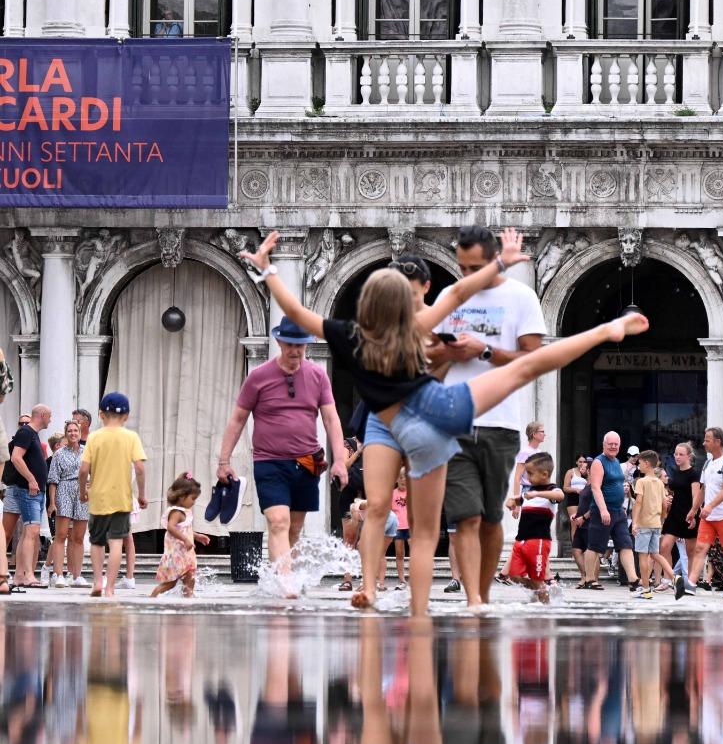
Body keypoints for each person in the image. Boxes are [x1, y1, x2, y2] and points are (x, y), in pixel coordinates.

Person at [241, 227, 648, 615]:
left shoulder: (352, 334)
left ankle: (374, 588)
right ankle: (605, 331)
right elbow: (460, 291)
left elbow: (294, 310)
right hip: (439, 411)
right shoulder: (417, 324)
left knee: (384, 511)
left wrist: (268, 269)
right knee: (525, 372)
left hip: (396, 422)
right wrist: (499, 265)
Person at [431, 224, 548, 612]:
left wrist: (484, 352)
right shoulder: (451, 296)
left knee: (490, 517)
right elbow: (429, 359)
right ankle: (472, 599)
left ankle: (482, 592)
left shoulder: (520, 297)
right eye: (462, 267)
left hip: (501, 424)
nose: (468, 276)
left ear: (494, 259)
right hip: (455, 421)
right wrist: (446, 354)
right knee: (464, 515)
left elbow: (532, 360)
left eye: (475, 267)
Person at [215, 317, 348, 586]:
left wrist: (340, 461)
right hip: (269, 461)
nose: (296, 350)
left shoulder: (318, 375)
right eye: (290, 344)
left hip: (307, 461)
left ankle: (284, 577)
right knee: (278, 521)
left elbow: (331, 419)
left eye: (301, 345)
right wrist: (224, 460)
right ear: (279, 342)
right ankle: (284, 584)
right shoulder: (259, 377)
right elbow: (238, 418)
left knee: (294, 529)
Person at [78, 392, 148, 599]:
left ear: (101, 414)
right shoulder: (131, 437)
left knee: (98, 541)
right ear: (126, 415)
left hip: (98, 497)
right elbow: (140, 468)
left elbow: (83, 470)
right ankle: (110, 588)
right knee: (117, 542)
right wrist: (142, 494)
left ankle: (97, 581)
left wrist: (83, 491)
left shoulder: (94, 437)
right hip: (122, 498)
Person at [677, 427, 723, 599]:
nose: (703, 443)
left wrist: (710, 506)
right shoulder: (707, 463)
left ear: (717, 442)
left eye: (707, 440)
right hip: (709, 516)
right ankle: (691, 584)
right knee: (700, 548)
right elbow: (703, 489)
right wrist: (693, 510)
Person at [581, 432, 638, 591]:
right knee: (595, 546)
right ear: (603, 444)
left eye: (616, 444)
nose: (613, 447)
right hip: (602, 511)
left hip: (618, 511)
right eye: (610, 444)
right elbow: (595, 487)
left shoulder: (616, 461)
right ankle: (590, 579)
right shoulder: (599, 462)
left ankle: (633, 579)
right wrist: (603, 510)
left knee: (625, 544)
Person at [2, 404, 50, 588]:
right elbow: (15, 457)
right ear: (43, 415)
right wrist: (31, 479)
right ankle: (29, 575)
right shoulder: (26, 432)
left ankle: (20, 576)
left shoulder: (33, 435)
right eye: (49, 416)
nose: (50, 419)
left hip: (32, 490)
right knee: (31, 532)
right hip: (28, 490)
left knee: (26, 534)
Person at [507, 451, 561, 602]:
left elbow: (560, 496)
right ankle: (542, 590)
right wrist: (512, 501)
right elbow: (520, 499)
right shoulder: (529, 491)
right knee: (514, 576)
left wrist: (538, 494)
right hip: (521, 541)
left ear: (544, 474)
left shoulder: (552, 490)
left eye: (530, 474)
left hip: (538, 541)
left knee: (537, 579)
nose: (527, 477)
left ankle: (547, 605)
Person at [45, 419, 89, 587]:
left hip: (82, 492)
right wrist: (52, 503)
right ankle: (58, 574)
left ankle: (76, 576)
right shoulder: (59, 454)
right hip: (64, 488)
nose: (72, 433)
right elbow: (53, 480)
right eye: (69, 431)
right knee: (61, 535)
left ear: (79, 433)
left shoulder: (87, 452)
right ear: (66, 433)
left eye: (75, 431)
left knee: (78, 537)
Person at [151, 475, 209, 598]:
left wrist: (197, 536)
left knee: (190, 576)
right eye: (193, 498)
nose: (194, 502)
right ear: (182, 497)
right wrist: (185, 539)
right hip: (177, 554)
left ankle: (188, 597)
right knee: (170, 583)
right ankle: (153, 596)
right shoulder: (176, 512)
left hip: (184, 554)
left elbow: (183, 529)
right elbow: (171, 527)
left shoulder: (184, 512)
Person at [660, 442, 700, 588]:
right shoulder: (675, 472)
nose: (677, 457)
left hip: (689, 513)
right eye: (676, 454)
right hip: (675, 513)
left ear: (689, 456)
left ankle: (690, 582)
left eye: (681, 454)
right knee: (664, 546)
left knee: (691, 552)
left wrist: (694, 514)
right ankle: (668, 580)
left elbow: (696, 496)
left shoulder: (694, 474)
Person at [632, 450, 667, 598]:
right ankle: (673, 576)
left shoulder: (641, 481)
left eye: (639, 463)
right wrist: (662, 520)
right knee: (655, 554)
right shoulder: (660, 483)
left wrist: (634, 522)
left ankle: (645, 588)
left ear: (646, 463)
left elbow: (638, 502)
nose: (638, 466)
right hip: (656, 524)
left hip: (644, 523)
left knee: (643, 556)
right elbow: (665, 505)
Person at [505, 421, 547, 512]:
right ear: (534, 434)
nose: (545, 434)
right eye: (542, 432)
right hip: (529, 491)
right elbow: (517, 477)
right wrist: (516, 504)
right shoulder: (525, 452)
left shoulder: (539, 452)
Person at [390, 469, 411, 589]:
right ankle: (402, 579)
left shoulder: (412, 493)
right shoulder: (392, 493)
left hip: (411, 526)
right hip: (397, 527)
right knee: (399, 554)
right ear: (397, 479)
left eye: (406, 477)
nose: (403, 480)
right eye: (401, 477)